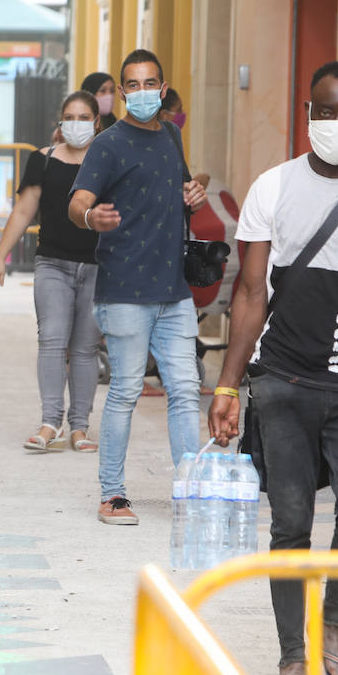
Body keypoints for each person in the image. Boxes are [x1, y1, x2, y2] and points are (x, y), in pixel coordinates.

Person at [208, 61, 338, 675]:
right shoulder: (272, 187)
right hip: (280, 377)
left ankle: (332, 624)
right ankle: (292, 656)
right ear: (307, 114)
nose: (335, 124)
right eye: (324, 111)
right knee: (290, 522)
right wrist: (228, 386)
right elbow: (250, 293)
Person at [69, 49, 208, 526]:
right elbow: (78, 201)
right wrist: (92, 216)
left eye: (152, 83)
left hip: (173, 290)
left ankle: (192, 490)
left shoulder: (171, 134)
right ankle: (113, 495)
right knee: (126, 390)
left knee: (186, 390)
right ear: (123, 91)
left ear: (163, 88)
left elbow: (181, 189)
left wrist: (195, 191)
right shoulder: (108, 144)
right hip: (125, 288)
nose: (143, 91)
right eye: (134, 84)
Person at [0, 91, 102, 454]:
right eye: (70, 116)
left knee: (85, 349)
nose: (77, 123)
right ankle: (50, 422)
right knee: (52, 340)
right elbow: (23, 211)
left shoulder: (109, 159)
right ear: (60, 121)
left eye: (85, 117)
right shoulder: (43, 160)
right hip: (53, 264)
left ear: (97, 123)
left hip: (100, 267)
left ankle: (80, 427)